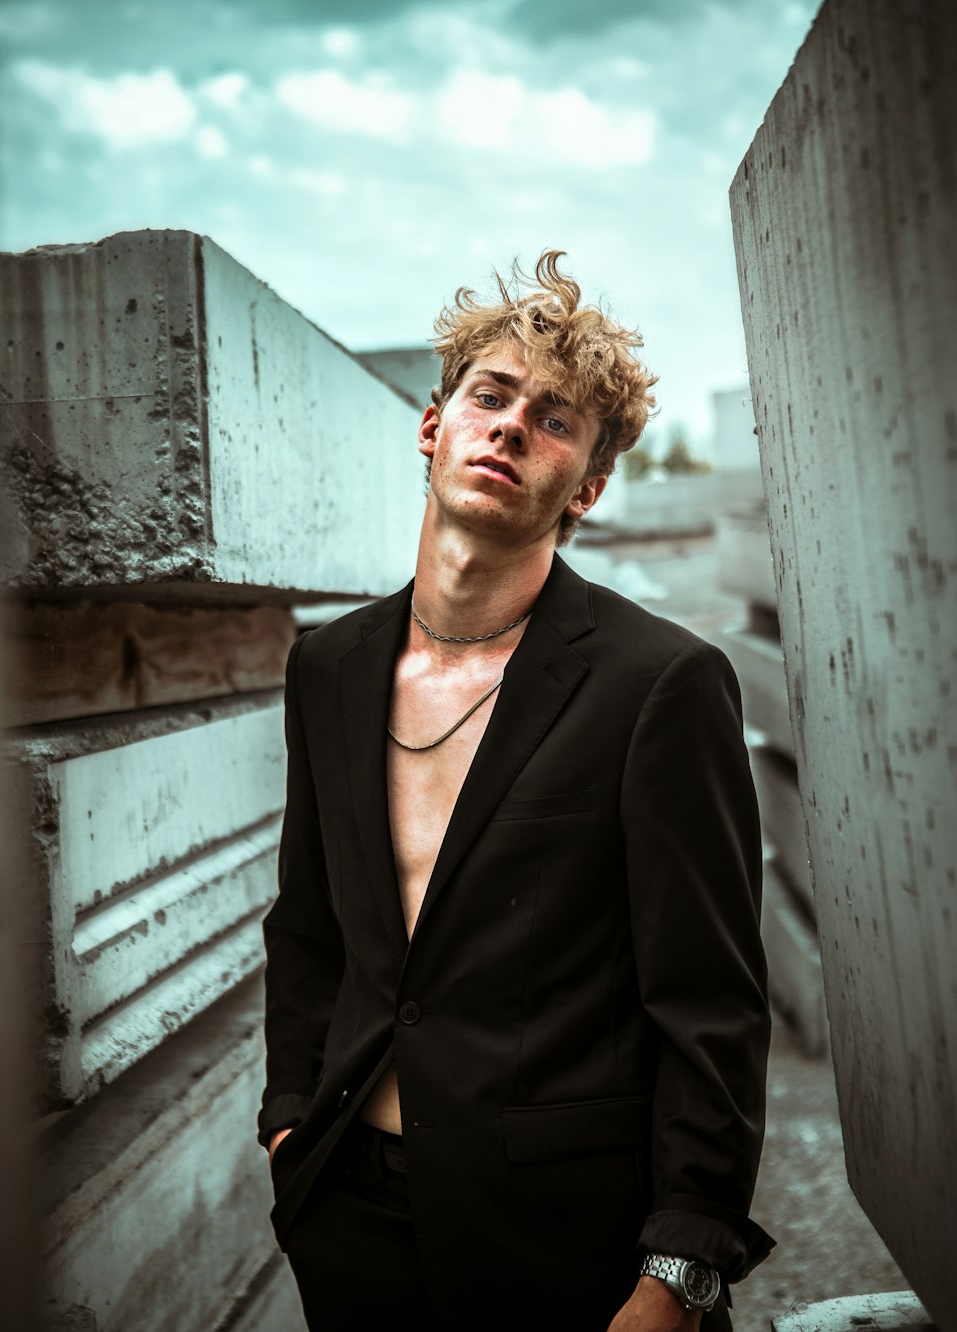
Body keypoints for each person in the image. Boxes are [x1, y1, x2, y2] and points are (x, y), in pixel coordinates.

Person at [258, 251, 774, 1332]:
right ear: (432, 427)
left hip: (570, 1236)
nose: (507, 425)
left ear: (586, 485)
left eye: (552, 420)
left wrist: (679, 1264)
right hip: (349, 1211)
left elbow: (707, 997)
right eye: (487, 397)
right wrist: (288, 1122)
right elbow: (307, 922)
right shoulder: (331, 668)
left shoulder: (659, 684)